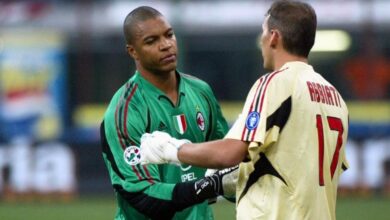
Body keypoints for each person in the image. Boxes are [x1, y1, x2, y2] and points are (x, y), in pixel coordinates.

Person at [140, 1, 349, 220]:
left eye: (264, 32)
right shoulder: (336, 98)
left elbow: (231, 153)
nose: (263, 40)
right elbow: (293, 164)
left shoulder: (274, 83)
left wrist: (172, 150)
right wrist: (226, 180)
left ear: (274, 37)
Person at [99, 6, 235, 220]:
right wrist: (207, 187)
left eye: (169, 35)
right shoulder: (125, 111)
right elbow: (143, 197)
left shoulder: (201, 91)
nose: (166, 45)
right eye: (151, 41)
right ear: (132, 51)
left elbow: (224, 166)